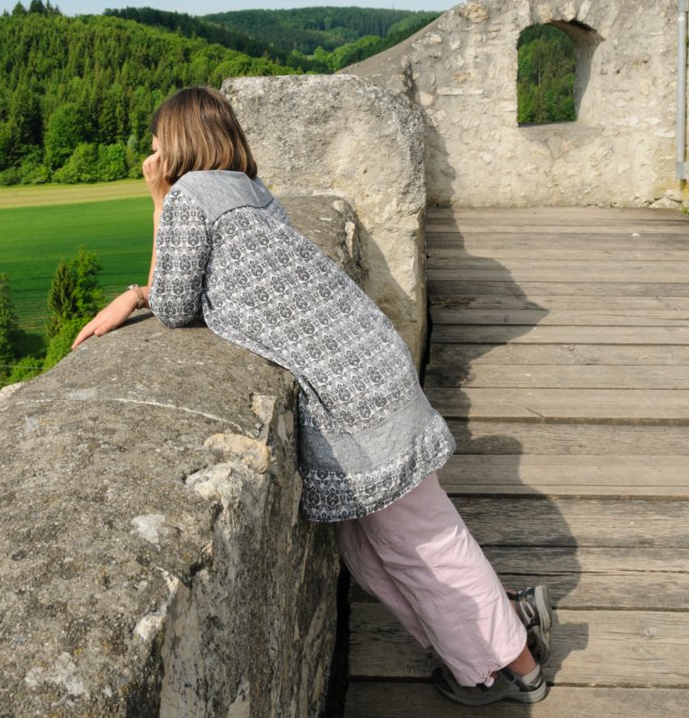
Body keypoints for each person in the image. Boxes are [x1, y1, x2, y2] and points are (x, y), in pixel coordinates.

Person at [71, 86, 555, 705]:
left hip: (358, 394)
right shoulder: (249, 189)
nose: (151, 151)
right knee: (365, 547)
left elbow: (173, 303)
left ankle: (520, 665)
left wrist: (156, 208)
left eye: (157, 140)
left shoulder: (190, 195)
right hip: (368, 368)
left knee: (425, 539)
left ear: (177, 143)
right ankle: (486, 645)